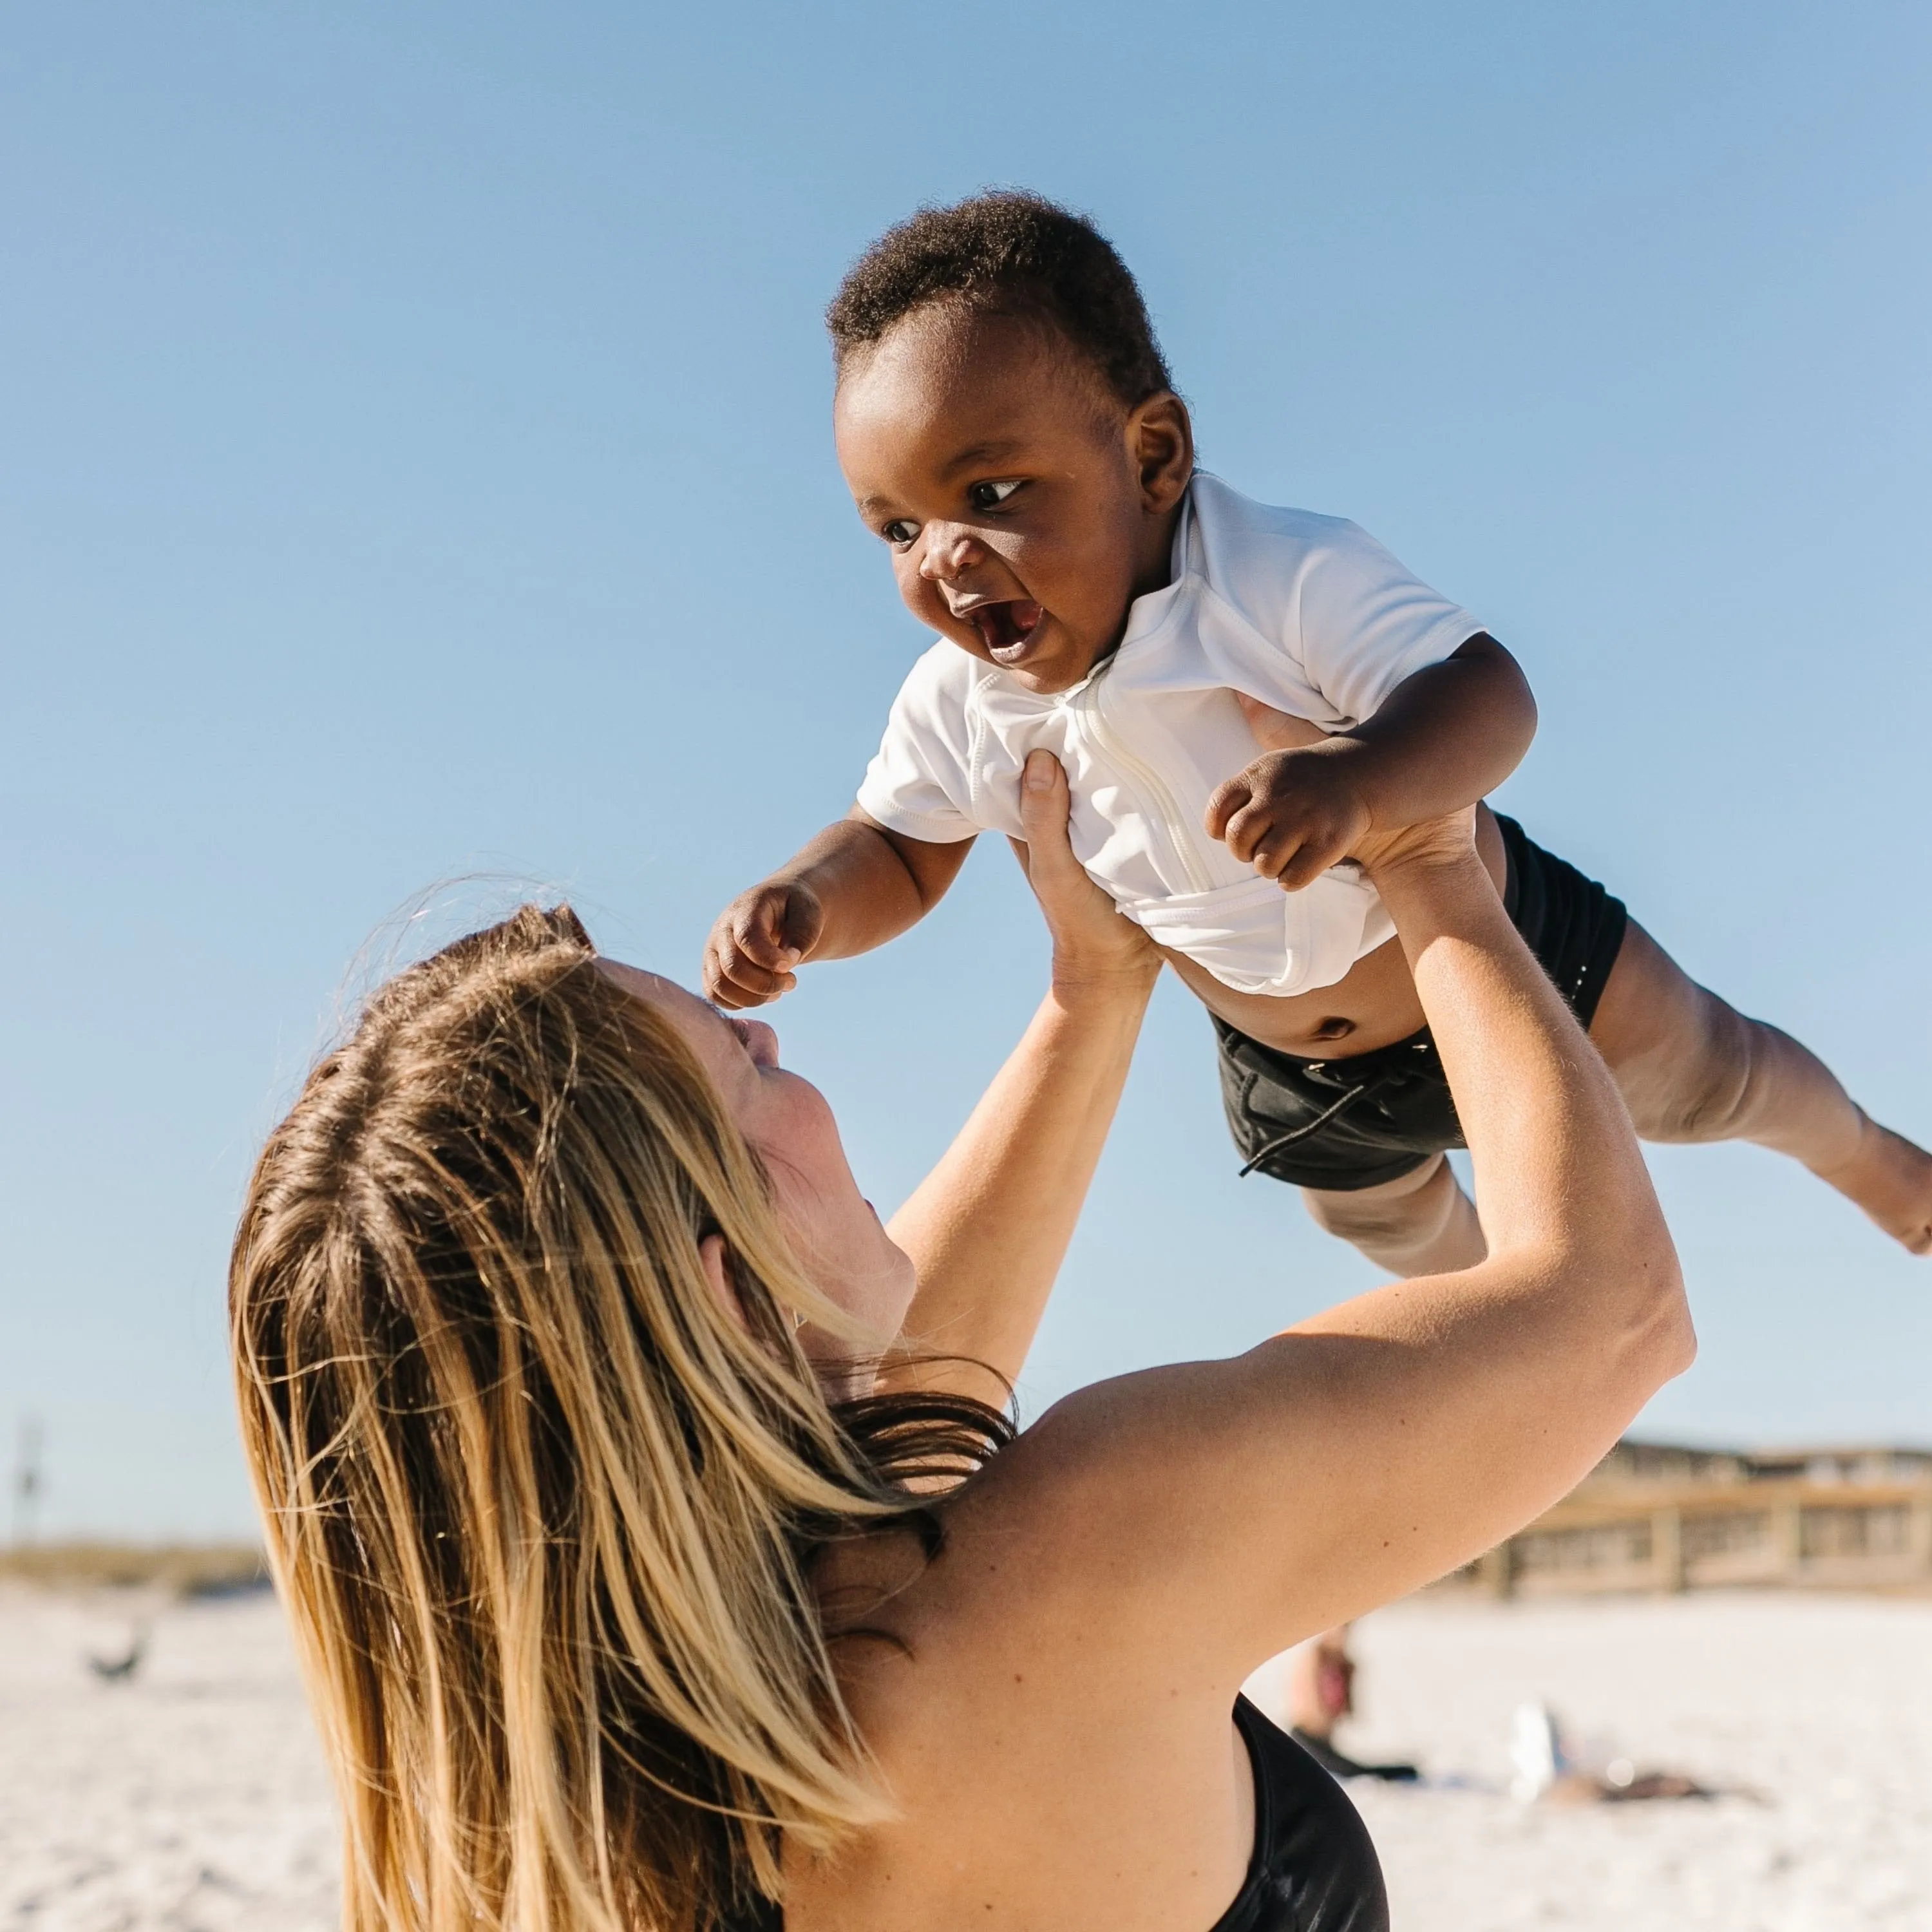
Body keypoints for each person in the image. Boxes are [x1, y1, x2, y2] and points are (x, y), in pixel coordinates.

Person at [232, 760, 1692, 1932]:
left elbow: (876, 1381)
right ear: (726, 1299)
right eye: (753, 1069)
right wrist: (1433, 857)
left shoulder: (529, 1818)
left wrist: (1093, 987)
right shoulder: (1047, 1576)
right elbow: (1613, 1309)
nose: (796, 1071)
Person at [704, 189, 1932, 1270]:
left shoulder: (1277, 578)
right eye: (898, 530)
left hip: (1501, 958)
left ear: (1155, 454)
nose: (946, 560)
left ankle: (1872, 1162)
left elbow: (1488, 690)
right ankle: (1502, 1335)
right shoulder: (959, 700)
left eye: (989, 494)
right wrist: (807, 900)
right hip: (1292, 1066)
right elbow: (903, 847)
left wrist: (1361, 777)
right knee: (1379, 1227)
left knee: (1716, 1073)